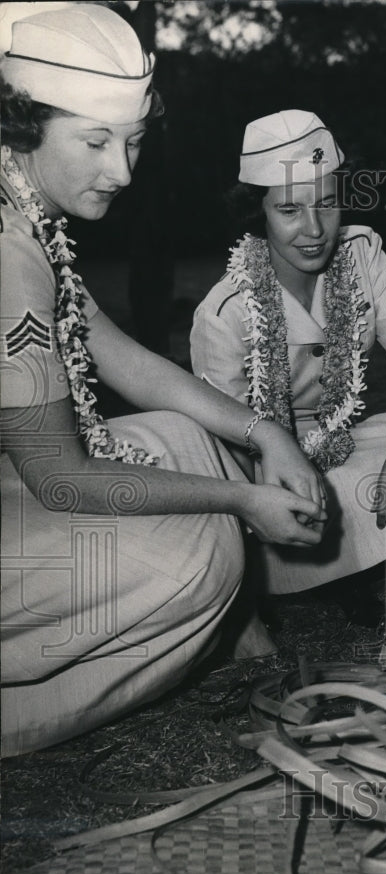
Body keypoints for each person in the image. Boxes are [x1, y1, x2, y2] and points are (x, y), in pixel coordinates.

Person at [0, 5, 326, 757]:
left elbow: (121, 360)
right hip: (34, 483)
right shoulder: (9, 250)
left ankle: (234, 638)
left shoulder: (25, 211)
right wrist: (241, 498)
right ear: (23, 126)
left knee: (183, 435)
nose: (122, 169)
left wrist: (263, 430)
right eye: (95, 141)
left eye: (135, 140)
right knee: (201, 561)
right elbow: (61, 480)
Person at [190, 110, 386, 624]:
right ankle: (278, 582)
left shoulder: (363, 254)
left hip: (340, 440)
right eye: (289, 209)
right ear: (256, 211)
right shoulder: (224, 311)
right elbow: (223, 451)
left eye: (326, 203)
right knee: (297, 502)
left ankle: (351, 570)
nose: (313, 230)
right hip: (263, 464)